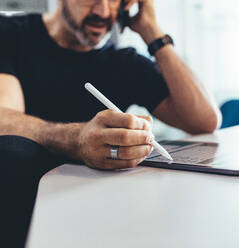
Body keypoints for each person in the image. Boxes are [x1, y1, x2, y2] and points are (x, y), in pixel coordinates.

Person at [0, 0, 221, 245]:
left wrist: (153, 33)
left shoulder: (124, 63)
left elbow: (205, 120)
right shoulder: (10, 33)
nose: (103, 11)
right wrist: (75, 139)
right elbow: (3, 117)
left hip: (103, 215)